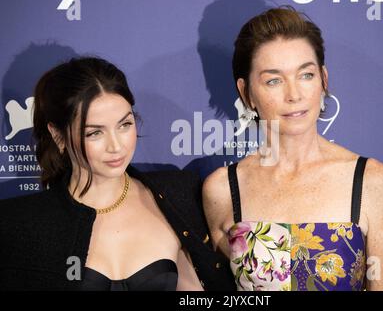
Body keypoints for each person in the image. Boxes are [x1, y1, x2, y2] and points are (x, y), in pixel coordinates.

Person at [202, 7, 383, 291]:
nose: (294, 95)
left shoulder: (372, 181)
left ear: (323, 79)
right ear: (247, 93)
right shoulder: (222, 189)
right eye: (274, 80)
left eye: (305, 75)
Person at [0, 57, 234, 291]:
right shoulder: (21, 224)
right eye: (94, 133)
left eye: (124, 125)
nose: (116, 146)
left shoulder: (179, 196)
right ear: (58, 135)